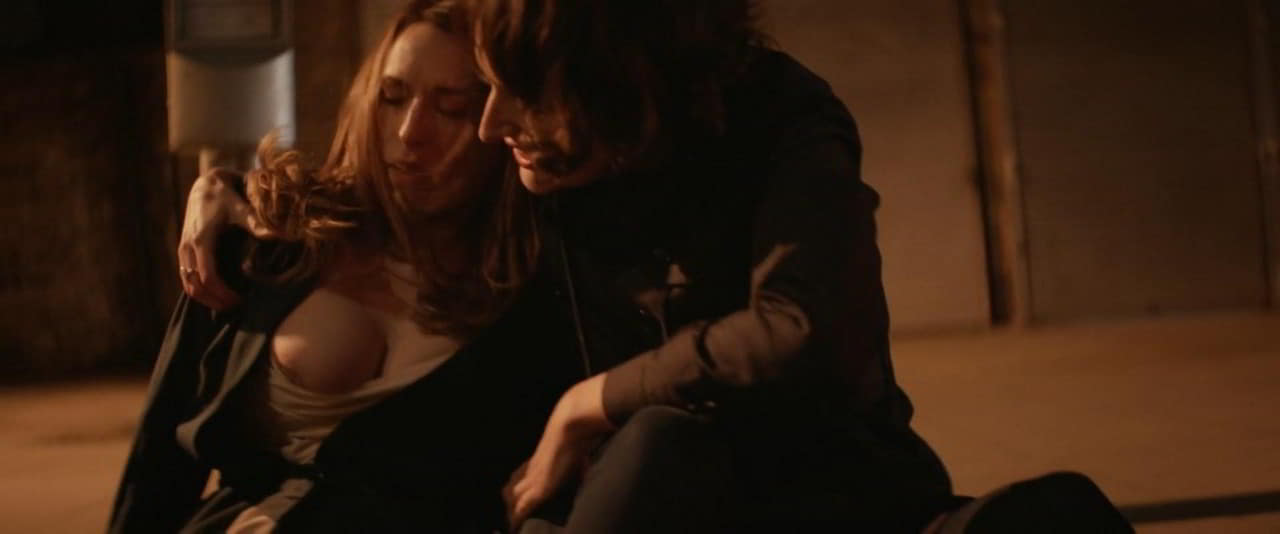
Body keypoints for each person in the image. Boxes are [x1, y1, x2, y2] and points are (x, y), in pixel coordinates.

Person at [109, 1, 576, 532]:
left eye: (452, 108)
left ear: (502, 123)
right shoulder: (268, 237)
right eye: (392, 98)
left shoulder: (541, 288)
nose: (410, 132)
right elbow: (159, 462)